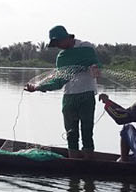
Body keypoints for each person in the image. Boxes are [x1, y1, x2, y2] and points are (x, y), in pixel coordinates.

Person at [24, 25, 101, 158]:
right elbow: (58, 80)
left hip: (86, 94)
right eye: (55, 44)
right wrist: (37, 87)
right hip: (69, 97)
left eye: (58, 42)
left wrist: (95, 68)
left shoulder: (85, 47)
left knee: (87, 131)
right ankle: (74, 166)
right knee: (71, 133)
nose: (58, 46)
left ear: (65, 38)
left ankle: (89, 164)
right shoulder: (62, 57)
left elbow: (95, 64)